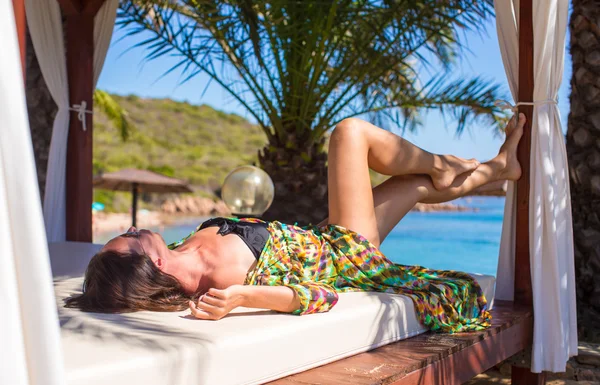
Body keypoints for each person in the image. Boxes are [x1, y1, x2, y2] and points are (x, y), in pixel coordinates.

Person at [66, 114, 525, 333]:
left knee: (418, 187)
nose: (127, 231)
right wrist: (245, 296)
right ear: (151, 267)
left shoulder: (182, 247)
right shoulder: (219, 283)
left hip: (323, 234)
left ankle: (503, 168)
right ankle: (444, 163)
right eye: (125, 242)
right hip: (345, 253)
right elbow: (322, 296)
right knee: (351, 134)